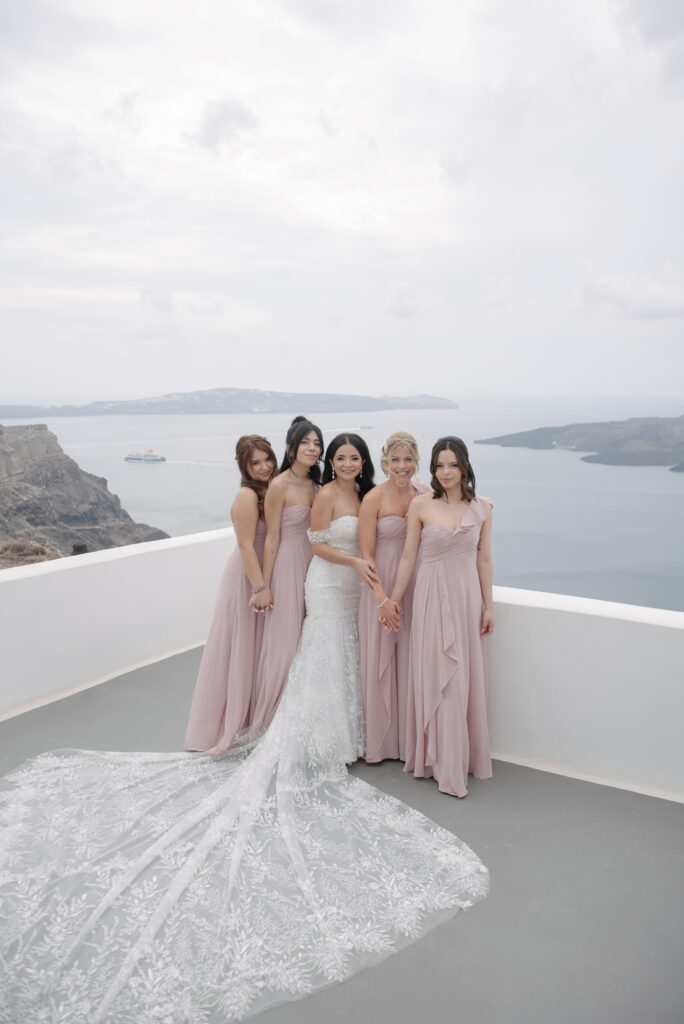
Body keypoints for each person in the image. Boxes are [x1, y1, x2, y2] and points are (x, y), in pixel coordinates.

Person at [0, 433, 489, 1023]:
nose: (350, 463)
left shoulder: (371, 493)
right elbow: (315, 542)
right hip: (334, 583)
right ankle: (310, 736)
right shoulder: (336, 497)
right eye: (341, 455)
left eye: (355, 457)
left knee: (345, 664)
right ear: (329, 458)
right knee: (324, 657)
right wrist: (291, 578)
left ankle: (354, 736)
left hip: (355, 588)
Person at [388, 436, 494, 798]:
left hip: (466, 600)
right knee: (440, 677)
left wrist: (489, 606)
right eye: (439, 466)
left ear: (464, 465)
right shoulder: (421, 505)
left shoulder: (482, 507)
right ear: (432, 469)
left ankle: (458, 760)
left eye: (452, 464)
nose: (445, 472)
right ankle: (439, 763)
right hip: (431, 598)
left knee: (463, 679)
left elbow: (484, 559)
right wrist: (393, 600)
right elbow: (407, 559)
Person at [184, 434, 277, 754]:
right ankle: (228, 722)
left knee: (256, 649)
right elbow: (246, 545)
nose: (264, 467)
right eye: (256, 462)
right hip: (247, 578)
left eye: (268, 459)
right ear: (244, 467)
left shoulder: (271, 489)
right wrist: (260, 587)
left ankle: (253, 715)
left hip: (262, 575)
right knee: (239, 647)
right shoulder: (246, 496)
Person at [358, 430, 429, 762]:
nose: (402, 466)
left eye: (408, 459)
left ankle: (409, 740)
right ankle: (383, 743)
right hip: (382, 585)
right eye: (396, 460)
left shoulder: (425, 493)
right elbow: (366, 556)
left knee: (411, 658)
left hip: (415, 583)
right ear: (385, 462)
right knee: (383, 656)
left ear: (417, 461)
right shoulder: (373, 498)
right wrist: (382, 599)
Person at [249, 416, 323, 732]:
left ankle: (307, 717)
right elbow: (272, 539)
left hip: (318, 566)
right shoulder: (279, 485)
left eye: (316, 443)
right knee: (286, 641)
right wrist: (262, 585)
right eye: (305, 442)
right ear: (291, 449)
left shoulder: (319, 484)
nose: (312, 448)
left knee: (311, 640)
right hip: (289, 563)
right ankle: (274, 720)